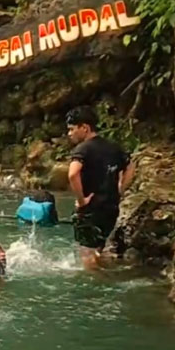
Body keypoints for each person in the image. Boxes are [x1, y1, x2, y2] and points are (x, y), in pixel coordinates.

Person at [66, 106, 136, 267]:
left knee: (87, 254)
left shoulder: (83, 149)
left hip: (91, 208)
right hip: (111, 207)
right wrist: (121, 188)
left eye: (71, 129)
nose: (69, 134)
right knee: (99, 248)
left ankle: (95, 286)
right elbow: (130, 166)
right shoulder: (113, 147)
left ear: (84, 128)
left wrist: (81, 201)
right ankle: (104, 276)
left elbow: (72, 174)